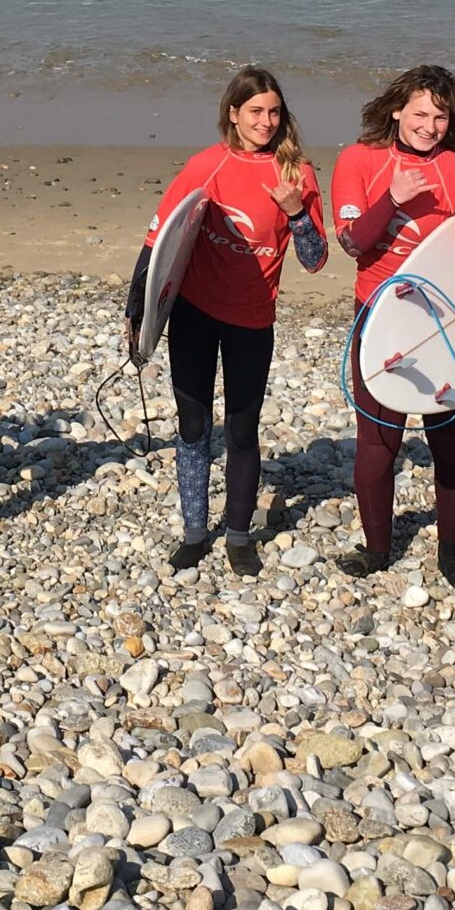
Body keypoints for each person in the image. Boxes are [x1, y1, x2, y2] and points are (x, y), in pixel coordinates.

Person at [126, 66, 326, 575]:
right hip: (194, 313)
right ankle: (195, 531)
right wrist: (137, 312)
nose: (266, 121)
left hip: (251, 321)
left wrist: (297, 212)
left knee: (242, 428)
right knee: (192, 425)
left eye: (274, 112)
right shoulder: (205, 167)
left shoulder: (296, 173)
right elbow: (159, 239)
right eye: (255, 111)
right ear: (233, 114)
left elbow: (316, 259)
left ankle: (238, 535)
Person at [330, 65, 455, 588]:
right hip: (378, 316)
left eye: (441, 116)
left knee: (451, 440)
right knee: (377, 441)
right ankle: (375, 549)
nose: (430, 125)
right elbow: (351, 244)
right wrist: (392, 197)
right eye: (420, 113)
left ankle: (453, 553)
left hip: (444, 324)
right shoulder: (358, 161)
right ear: (396, 110)